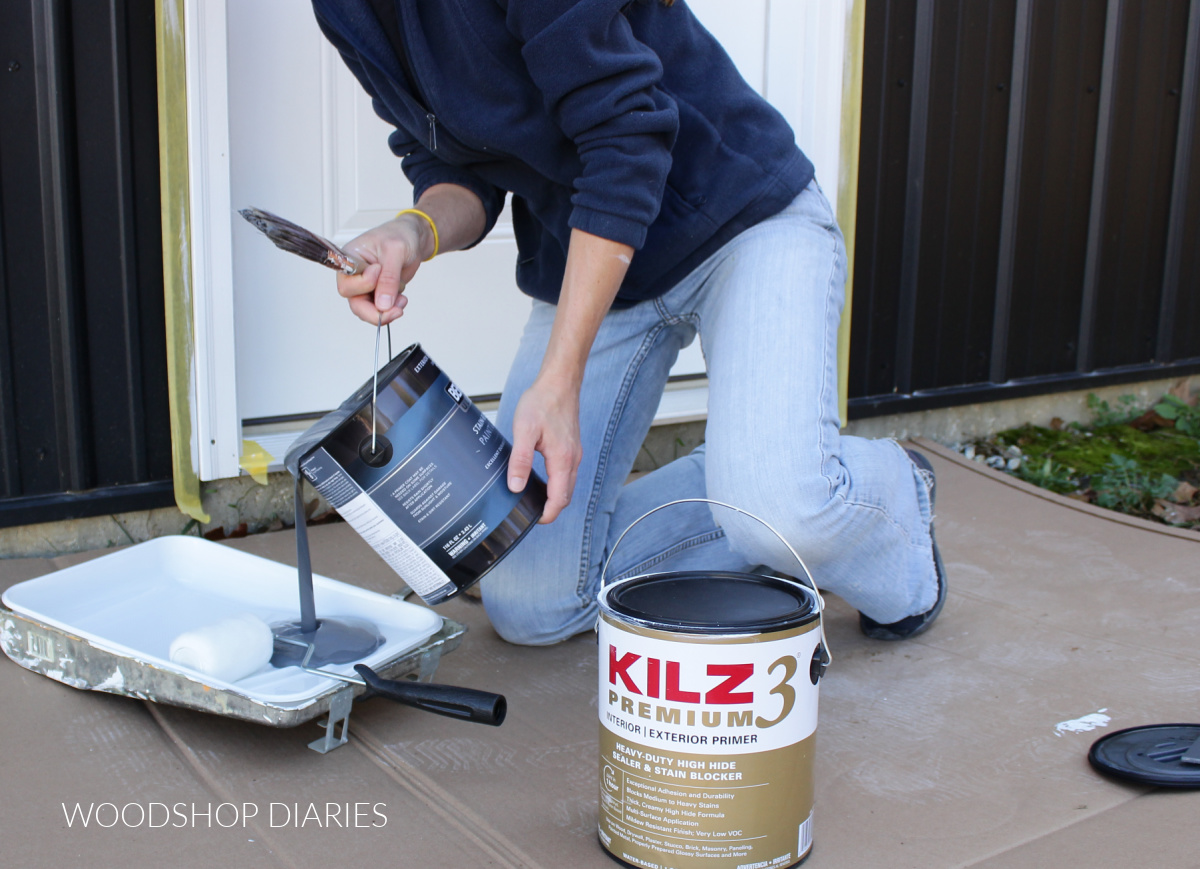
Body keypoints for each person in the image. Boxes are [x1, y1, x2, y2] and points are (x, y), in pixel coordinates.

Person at [311, 0, 946, 645]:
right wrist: (413, 232)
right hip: (598, 262)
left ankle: (879, 490)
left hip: (740, 219)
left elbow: (626, 141)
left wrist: (560, 379)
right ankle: (755, 474)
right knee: (532, 604)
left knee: (789, 514)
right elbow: (450, 170)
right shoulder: (344, 9)